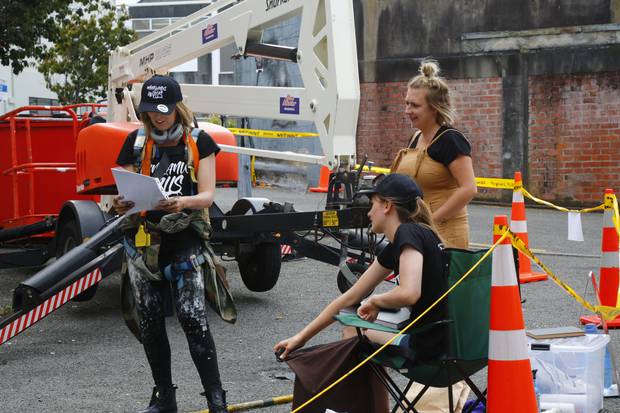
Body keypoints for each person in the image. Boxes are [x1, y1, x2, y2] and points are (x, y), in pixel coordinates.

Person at [274, 174, 448, 410]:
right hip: (445, 339)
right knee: (355, 326)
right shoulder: (416, 235)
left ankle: (354, 407)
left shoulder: (408, 234)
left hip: (426, 345)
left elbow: (409, 293)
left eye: (372, 204)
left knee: (354, 331)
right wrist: (301, 338)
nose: (368, 213)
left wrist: (376, 301)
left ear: (387, 205)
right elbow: (350, 297)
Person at [112, 75, 227, 413]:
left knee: (194, 321)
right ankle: (165, 396)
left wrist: (181, 203)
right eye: (152, 111)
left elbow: (207, 195)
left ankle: (216, 397)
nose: (158, 117)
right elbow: (127, 193)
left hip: (185, 241)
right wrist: (120, 204)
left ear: (178, 106)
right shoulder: (135, 143)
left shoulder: (199, 142)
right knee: (150, 324)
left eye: (164, 110)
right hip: (144, 244)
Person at [390, 59, 477, 249]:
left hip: (445, 234)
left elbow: (468, 188)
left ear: (434, 108)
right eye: (406, 104)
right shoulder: (415, 138)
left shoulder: (450, 140)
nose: (407, 111)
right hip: (418, 231)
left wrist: (431, 221)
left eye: (415, 105)